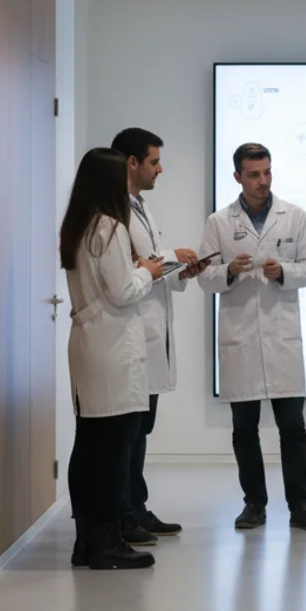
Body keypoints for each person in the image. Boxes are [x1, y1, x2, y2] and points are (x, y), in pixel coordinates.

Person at [196, 142, 306, 532]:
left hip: (282, 336)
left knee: (293, 427)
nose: (262, 181)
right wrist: (230, 272)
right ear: (237, 176)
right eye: (253, 174)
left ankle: (301, 505)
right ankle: (254, 503)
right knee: (244, 429)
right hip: (240, 338)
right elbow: (204, 276)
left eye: (267, 172)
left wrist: (283, 272)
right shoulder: (219, 222)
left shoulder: (295, 216)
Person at [60, 148, 164, 570]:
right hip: (112, 348)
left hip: (89, 344)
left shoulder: (79, 225)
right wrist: (148, 272)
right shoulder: (110, 228)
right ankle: (107, 543)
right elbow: (123, 291)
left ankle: (88, 540)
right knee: (111, 452)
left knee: (88, 447)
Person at [112, 127, 202, 546]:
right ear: (132, 163)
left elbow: (148, 267)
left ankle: (137, 507)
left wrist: (180, 270)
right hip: (129, 332)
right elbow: (133, 268)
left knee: (141, 428)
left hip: (151, 328)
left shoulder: (139, 206)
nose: (160, 169)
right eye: (154, 161)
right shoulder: (114, 211)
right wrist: (169, 257)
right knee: (129, 432)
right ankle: (124, 513)